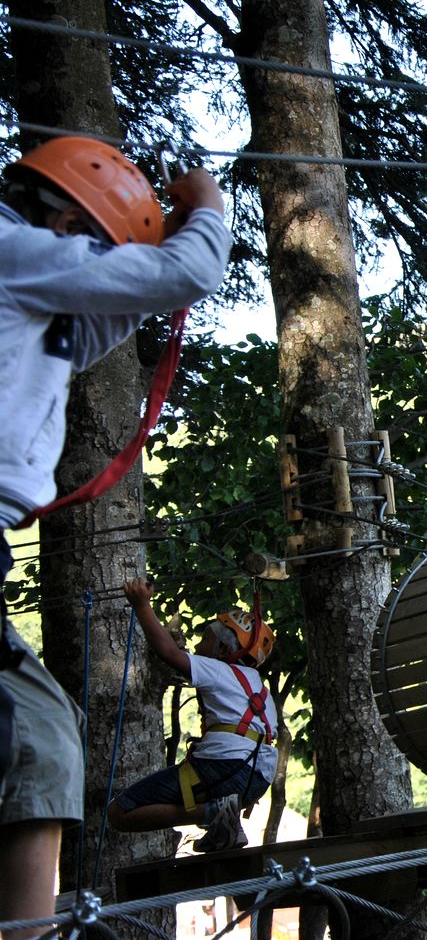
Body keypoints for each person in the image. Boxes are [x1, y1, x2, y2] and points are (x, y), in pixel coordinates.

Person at [0, 135, 230, 935]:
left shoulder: (27, 283)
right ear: (68, 226)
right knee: (36, 742)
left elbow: (92, 330)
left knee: (41, 740)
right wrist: (206, 203)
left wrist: (148, 266)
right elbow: (190, 273)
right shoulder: (13, 250)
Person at [107, 578, 278, 852]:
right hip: (256, 780)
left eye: (205, 639)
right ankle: (222, 819)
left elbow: (169, 653)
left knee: (120, 812)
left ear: (223, 650)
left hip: (224, 768)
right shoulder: (259, 687)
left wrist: (141, 605)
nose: (197, 646)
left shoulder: (218, 669)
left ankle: (212, 812)